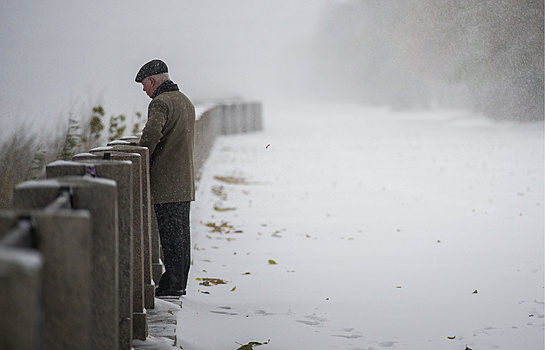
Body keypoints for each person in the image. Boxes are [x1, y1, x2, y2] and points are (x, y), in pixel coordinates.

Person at [135, 59, 195, 297]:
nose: (144, 90)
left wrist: (140, 154)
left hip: (167, 182)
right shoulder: (185, 101)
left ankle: (171, 285)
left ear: (152, 81)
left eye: (144, 84)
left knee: (170, 238)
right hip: (184, 180)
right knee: (181, 236)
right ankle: (179, 282)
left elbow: (150, 135)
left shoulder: (160, 103)